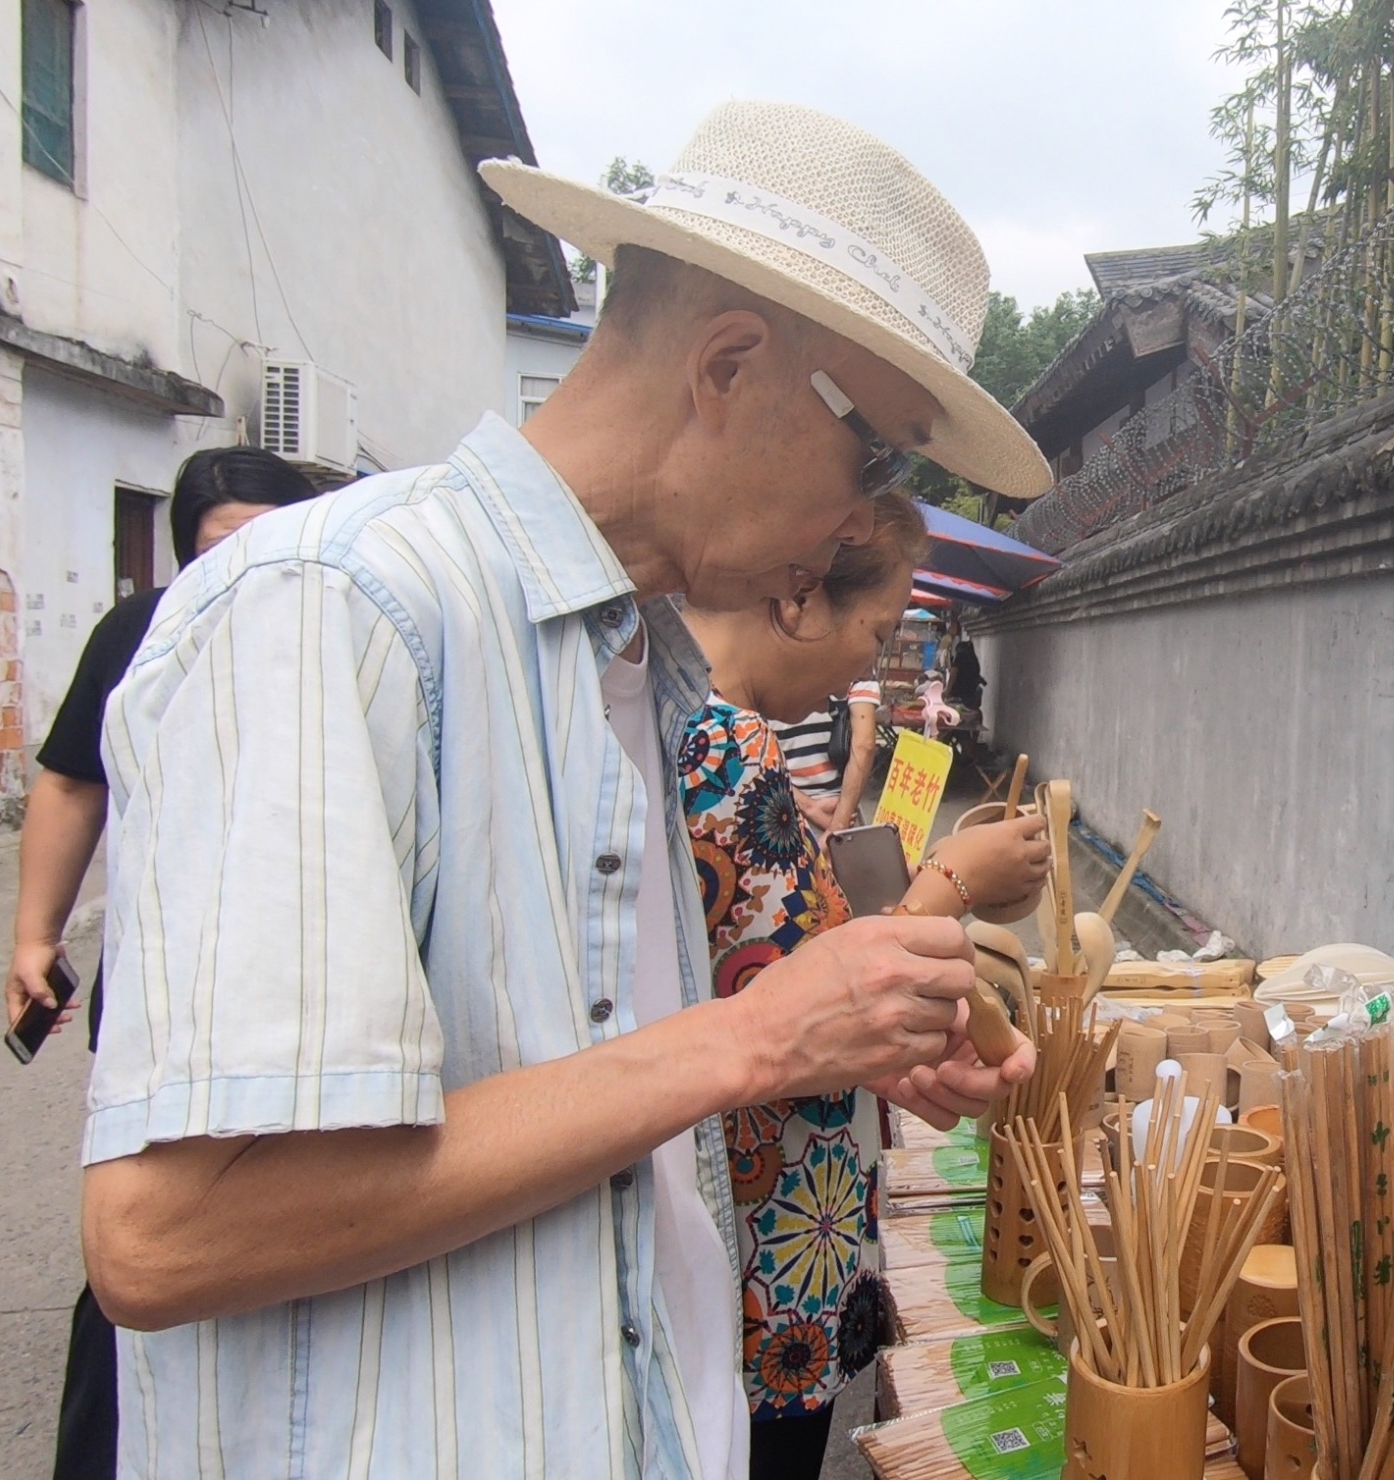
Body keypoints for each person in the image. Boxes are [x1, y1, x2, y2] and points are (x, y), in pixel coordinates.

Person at [78, 102, 1049, 1480]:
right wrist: (752, 1042)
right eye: (877, 456)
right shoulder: (339, 613)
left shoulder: (634, 676)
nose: (862, 521)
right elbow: (169, 1234)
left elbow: (575, 1097)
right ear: (728, 366)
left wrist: (836, 1039)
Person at [680, 492, 1050, 1478]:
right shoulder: (726, 750)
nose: (867, 670)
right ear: (798, 595)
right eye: (876, 632)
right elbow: (797, 1000)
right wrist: (956, 881)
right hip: (760, 1260)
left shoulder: (700, 734)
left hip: (767, 1246)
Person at [3, 445, 320, 1480]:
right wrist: (34, 938)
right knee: (146, 1242)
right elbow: (68, 781)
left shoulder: (332, 627)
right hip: (160, 987)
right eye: (211, 547)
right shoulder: (139, 633)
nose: (232, 568)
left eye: (260, 541)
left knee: (296, 1231)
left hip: (306, 984)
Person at [775, 674, 880, 831]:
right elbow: (864, 746)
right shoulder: (855, 659)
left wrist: (809, 807)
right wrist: (838, 825)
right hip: (841, 806)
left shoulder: (764, 661)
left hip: (780, 805)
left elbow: (752, 751)